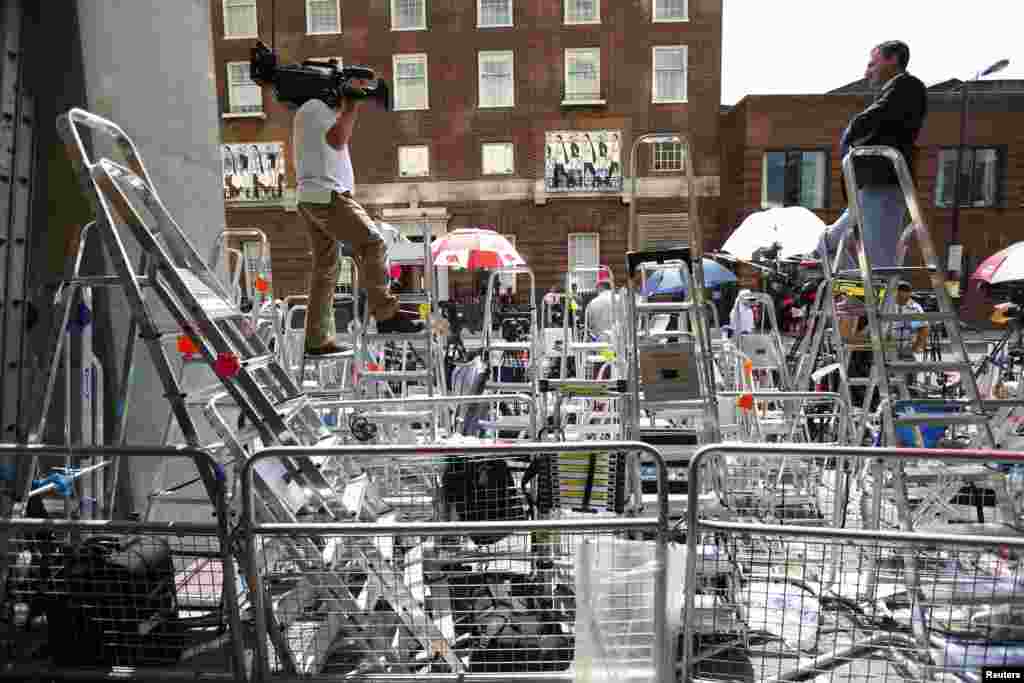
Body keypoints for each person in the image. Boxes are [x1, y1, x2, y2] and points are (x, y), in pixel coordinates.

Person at [293, 84, 420, 355]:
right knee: (373, 244)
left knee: (326, 268)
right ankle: (386, 315)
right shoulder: (318, 108)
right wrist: (352, 106)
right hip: (329, 194)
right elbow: (337, 139)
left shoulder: (305, 112)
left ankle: (316, 339)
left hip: (311, 196)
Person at [816, 41, 928, 271]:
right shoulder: (892, 94)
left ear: (893, 59)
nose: (867, 72)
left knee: (879, 261)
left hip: (884, 185)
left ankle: (866, 301)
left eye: (872, 64)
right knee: (826, 244)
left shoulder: (908, 86)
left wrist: (851, 130)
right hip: (867, 189)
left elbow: (876, 118)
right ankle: (856, 296)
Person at [889, 280, 929, 386]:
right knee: (888, 376)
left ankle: (909, 391)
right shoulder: (888, 306)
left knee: (908, 376)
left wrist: (917, 346)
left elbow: (923, 328)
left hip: (906, 348)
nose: (903, 298)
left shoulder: (914, 308)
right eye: (900, 294)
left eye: (906, 295)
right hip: (888, 347)